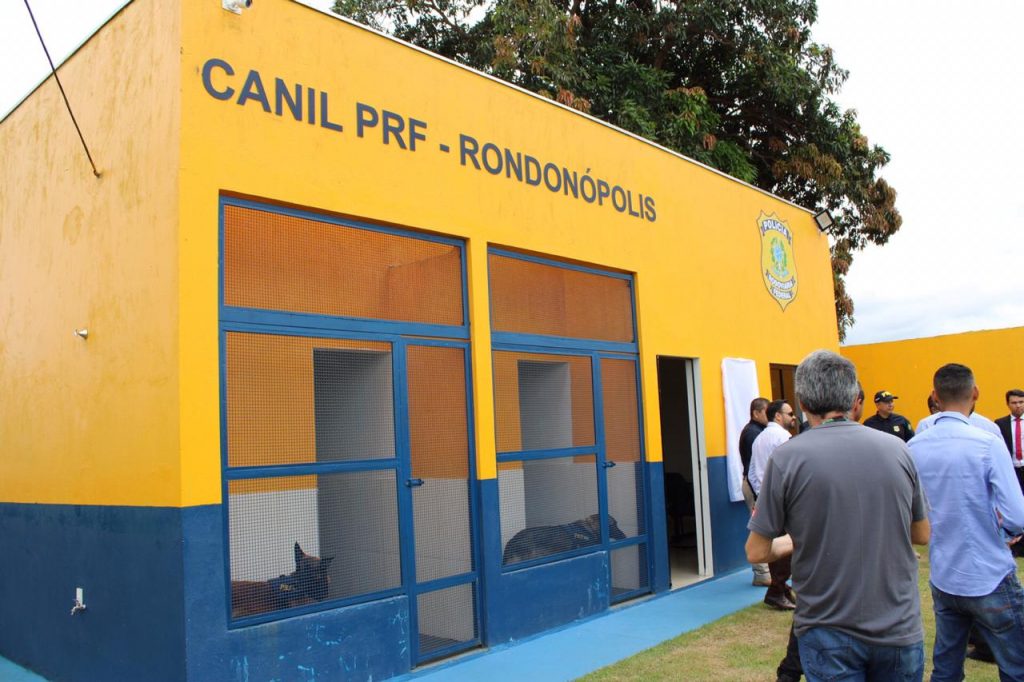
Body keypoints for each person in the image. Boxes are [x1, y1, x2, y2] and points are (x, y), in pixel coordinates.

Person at [747, 350, 929, 682]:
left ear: (802, 402)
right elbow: (921, 534)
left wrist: (798, 539)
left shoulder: (787, 458)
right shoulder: (899, 449)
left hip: (827, 628)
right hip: (898, 625)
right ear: (854, 399)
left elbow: (757, 551)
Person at [907, 364, 1024, 681]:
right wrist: (1007, 532)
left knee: (946, 668)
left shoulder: (914, 446)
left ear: (935, 396)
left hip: (945, 574)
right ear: (975, 393)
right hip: (989, 573)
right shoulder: (987, 441)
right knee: (1017, 667)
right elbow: (1017, 514)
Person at [749, 400, 797, 610]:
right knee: (787, 547)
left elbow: (752, 472)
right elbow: (791, 469)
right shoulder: (782, 437)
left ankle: (780, 588)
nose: (793, 417)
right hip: (782, 498)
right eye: (790, 413)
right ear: (778, 416)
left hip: (765, 496)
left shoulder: (759, 439)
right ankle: (777, 590)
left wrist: (761, 495)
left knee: (774, 545)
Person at [739, 397, 771, 587]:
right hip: (754, 486)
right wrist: (758, 492)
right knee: (759, 527)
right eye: (766, 412)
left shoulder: (759, 431)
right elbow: (755, 467)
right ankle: (761, 574)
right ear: (756, 413)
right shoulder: (752, 433)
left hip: (756, 484)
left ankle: (766, 572)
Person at [995, 388, 1024, 495]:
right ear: (1008, 404)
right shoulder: (1000, 423)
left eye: (1021, 402)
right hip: (1011, 470)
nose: (1018, 405)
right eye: (1014, 403)